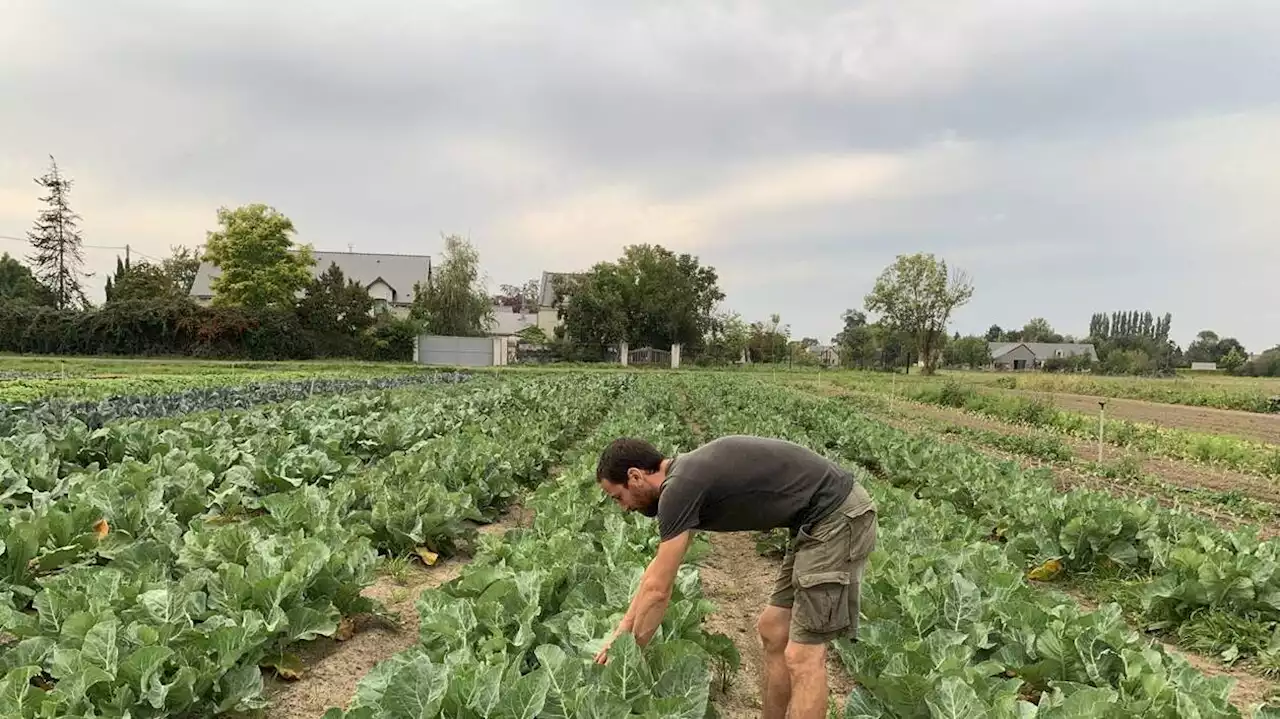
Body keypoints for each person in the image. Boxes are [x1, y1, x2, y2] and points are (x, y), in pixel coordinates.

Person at [593, 434, 877, 719]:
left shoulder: (679, 489)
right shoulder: (684, 479)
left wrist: (628, 658)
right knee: (773, 629)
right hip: (812, 522)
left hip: (837, 516)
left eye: (619, 497)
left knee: (804, 655)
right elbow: (657, 570)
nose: (625, 507)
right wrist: (622, 631)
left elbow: (659, 590)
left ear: (635, 475)